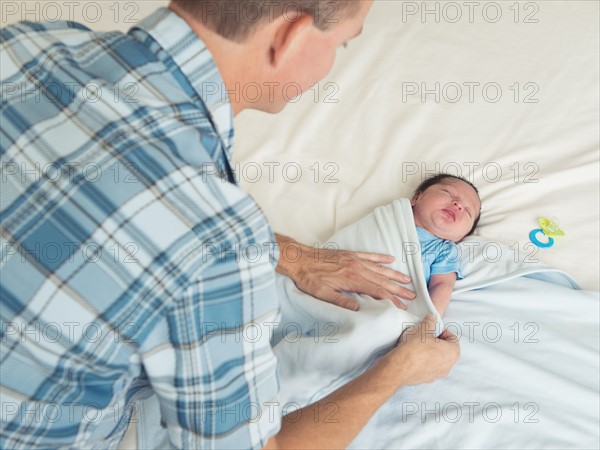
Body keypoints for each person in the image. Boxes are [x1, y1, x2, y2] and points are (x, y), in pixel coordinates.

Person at [0, 1, 460, 449]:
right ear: (289, 36)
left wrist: (289, 254)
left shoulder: (23, 44)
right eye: (341, 46)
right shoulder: (219, 236)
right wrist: (399, 368)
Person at [411, 174, 482, 316]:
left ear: (463, 236)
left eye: (468, 212)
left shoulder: (445, 250)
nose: (459, 204)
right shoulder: (388, 215)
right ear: (417, 198)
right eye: (447, 193)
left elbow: (441, 286)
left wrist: (428, 325)